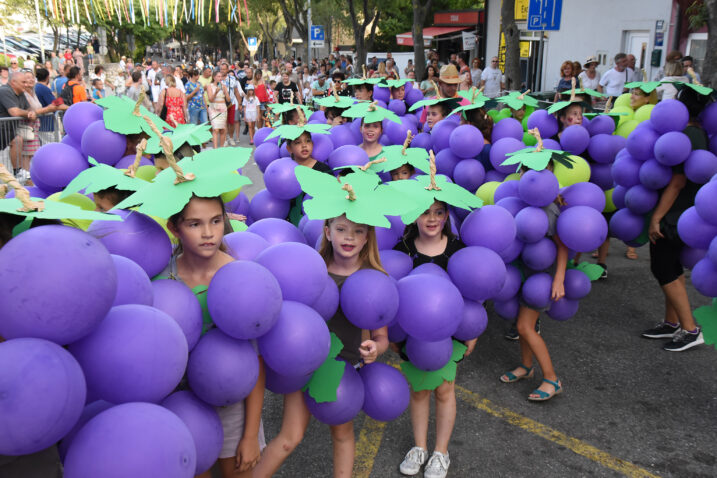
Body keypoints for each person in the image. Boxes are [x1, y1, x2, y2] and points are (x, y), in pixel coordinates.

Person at [253, 212, 388, 478]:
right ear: (327, 232)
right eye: (341, 229)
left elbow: (381, 337)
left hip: (342, 370)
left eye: (358, 231)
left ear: (367, 238)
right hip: (302, 366)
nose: (349, 237)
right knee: (290, 437)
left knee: (342, 434)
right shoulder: (311, 271)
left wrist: (375, 348)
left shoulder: (373, 279)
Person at [162, 195, 266, 478]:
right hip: (183, 401)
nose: (208, 233)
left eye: (216, 221)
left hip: (232, 403)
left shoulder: (239, 278)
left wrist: (250, 435)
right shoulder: (163, 279)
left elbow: (255, 360)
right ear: (175, 228)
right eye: (195, 224)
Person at [394, 200, 473, 478]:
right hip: (411, 334)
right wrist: (392, 336)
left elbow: (474, 291)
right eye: (425, 212)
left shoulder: (457, 249)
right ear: (414, 215)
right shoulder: (402, 249)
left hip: (449, 333)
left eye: (438, 212)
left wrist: (471, 333)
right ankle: (419, 448)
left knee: (444, 390)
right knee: (419, 389)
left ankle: (441, 452)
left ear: (447, 215)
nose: (431, 218)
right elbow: (390, 293)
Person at [641, 88, 707, 351]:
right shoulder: (698, 133)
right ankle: (671, 322)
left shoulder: (686, 135)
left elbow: (678, 181)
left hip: (676, 213)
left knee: (663, 267)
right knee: (673, 267)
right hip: (687, 211)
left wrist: (656, 217)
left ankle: (690, 329)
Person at [500, 164, 568, 401]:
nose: (526, 179)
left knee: (524, 327)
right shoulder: (520, 202)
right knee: (521, 323)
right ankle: (526, 367)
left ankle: (552, 378)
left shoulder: (549, 210)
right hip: (524, 271)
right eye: (523, 173)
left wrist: (559, 279)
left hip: (542, 277)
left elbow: (562, 246)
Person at [207, 71, 230, 149]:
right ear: (214, 77)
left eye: (221, 76)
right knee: (216, 129)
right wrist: (216, 92)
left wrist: (226, 91)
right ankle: (215, 148)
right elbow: (210, 99)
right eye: (218, 76)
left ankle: (222, 148)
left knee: (223, 129)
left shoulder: (224, 86)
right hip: (214, 108)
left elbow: (229, 99)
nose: (220, 78)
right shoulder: (210, 86)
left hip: (223, 108)